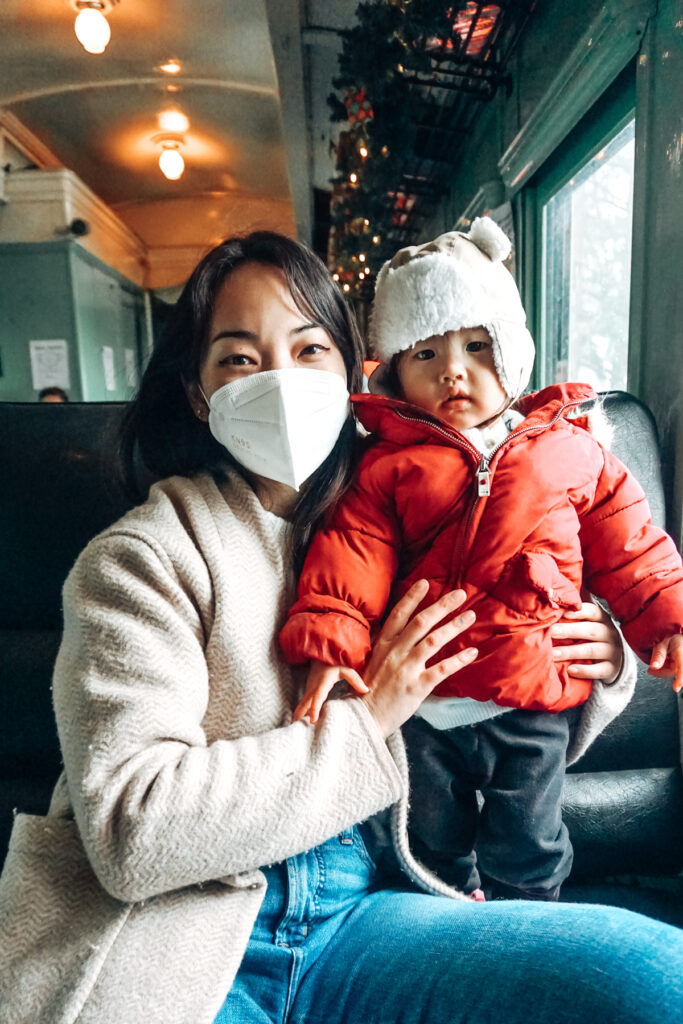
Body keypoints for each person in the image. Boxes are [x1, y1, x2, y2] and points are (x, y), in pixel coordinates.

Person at [1, 231, 682, 1024]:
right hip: (184, 934)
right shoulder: (141, 559)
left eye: (309, 349)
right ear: (197, 392)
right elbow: (132, 834)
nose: (281, 381)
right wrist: (370, 717)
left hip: (364, 911)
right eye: (239, 358)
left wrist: (603, 652)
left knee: (655, 982)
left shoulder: (421, 492)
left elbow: (535, 597)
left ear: (357, 373)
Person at [280, 217, 683, 901]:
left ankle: (528, 930)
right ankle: (448, 923)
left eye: (475, 345)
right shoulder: (384, 467)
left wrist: (666, 617)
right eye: (425, 353)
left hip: (531, 696)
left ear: (512, 352)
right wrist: (329, 649)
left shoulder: (572, 449)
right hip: (423, 703)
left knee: (529, 843)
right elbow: (350, 560)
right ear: (394, 373)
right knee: (427, 842)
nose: (453, 370)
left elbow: (633, 544)